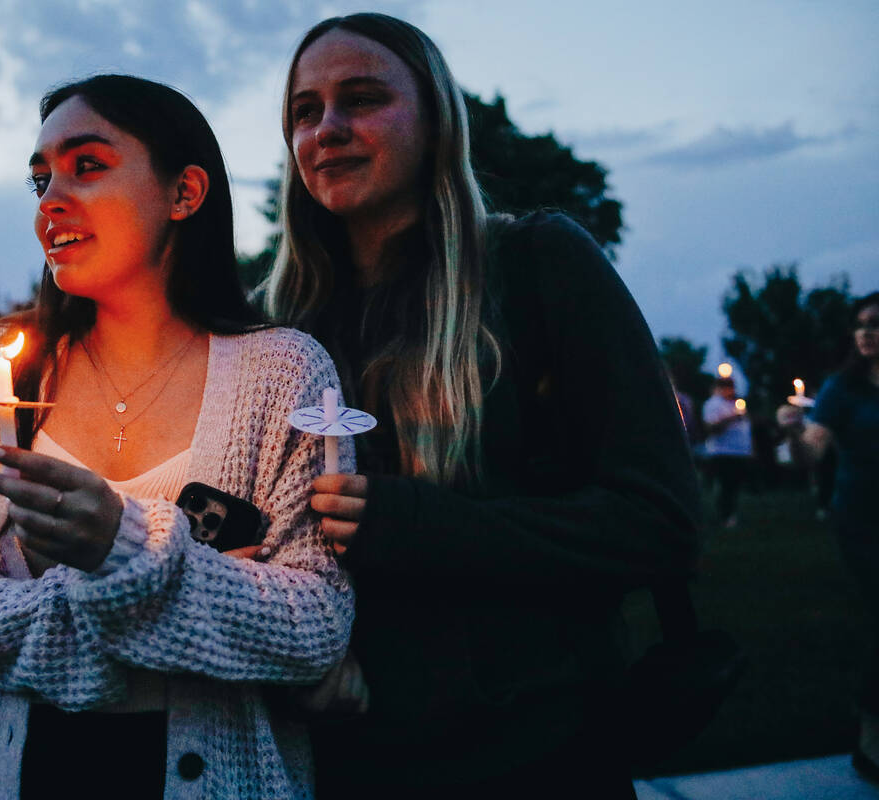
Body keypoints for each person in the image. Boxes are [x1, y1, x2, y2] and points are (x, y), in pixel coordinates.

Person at [263, 13, 701, 797]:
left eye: (361, 98)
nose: (327, 128)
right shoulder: (279, 326)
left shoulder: (538, 265)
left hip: (534, 753)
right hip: (344, 761)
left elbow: (657, 521)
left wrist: (417, 523)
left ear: (435, 119)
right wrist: (298, 654)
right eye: (304, 111)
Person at [0, 75, 354, 799]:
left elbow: (314, 624)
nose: (51, 200)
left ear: (185, 192)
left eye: (88, 165)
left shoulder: (282, 373)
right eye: (39, 180)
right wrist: (130, 610)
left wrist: (121, 541)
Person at [779, 291, 879, 781]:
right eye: (860, 324)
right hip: (861, 521)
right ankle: (871, 741)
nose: (865, 332)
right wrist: (795, 435)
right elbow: (810, 457)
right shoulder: (843, 389)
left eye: (876, 323)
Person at [702, 376, 753, 527]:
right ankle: (724, 516)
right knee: (726, 485)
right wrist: (732, 417)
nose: (731, 390)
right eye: (728, 387)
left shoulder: (736, 403)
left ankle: (731, 514)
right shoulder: (713, 404)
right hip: (722, 451)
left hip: (740, 452)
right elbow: (711, 428)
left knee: (735, 485)